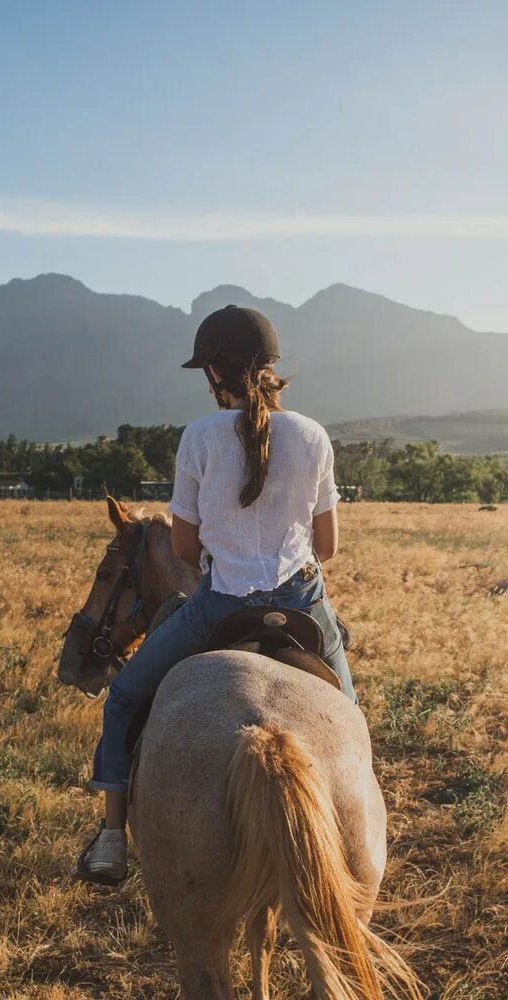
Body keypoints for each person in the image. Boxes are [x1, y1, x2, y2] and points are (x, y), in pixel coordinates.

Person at [76, 304, 356, 885]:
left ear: (213, 375)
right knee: (350, 718)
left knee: (125, 696)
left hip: (220, 606)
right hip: (302, 603)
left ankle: (109, 838)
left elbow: (182, 547)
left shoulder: (199, 437)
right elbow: (325, 546)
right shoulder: (313, 435)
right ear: (272, 367)